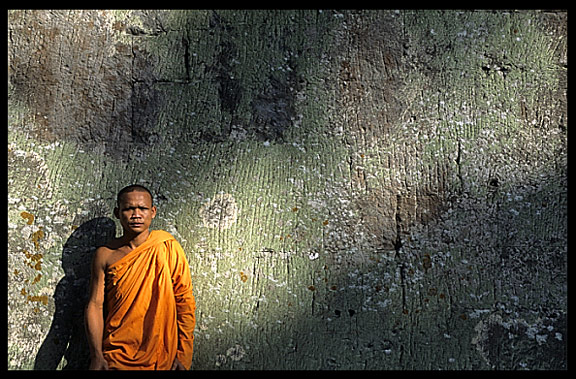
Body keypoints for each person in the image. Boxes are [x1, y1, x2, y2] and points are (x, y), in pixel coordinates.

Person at [84, 184, 196, 370]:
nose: (136, 214)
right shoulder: (105, 254)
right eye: (129, 209)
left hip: (160, 356)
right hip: (117, 354)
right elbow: (95, 305)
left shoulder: (166, 246)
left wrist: (184, 355)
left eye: (143, 208)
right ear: (117, 212)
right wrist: (96, 355)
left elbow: (184, 300)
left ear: (153, 212)